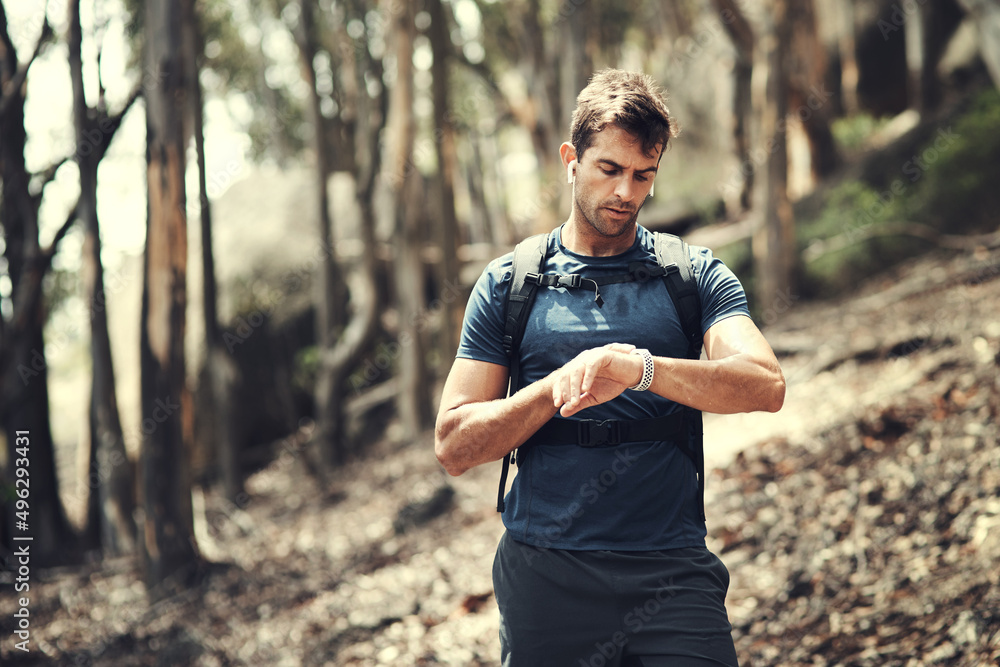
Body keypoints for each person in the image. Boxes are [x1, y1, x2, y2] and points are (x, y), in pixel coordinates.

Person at [434, 69, 785, 667]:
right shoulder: (507, 284)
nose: (626, 191)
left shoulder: (690, 274)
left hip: (671, 571)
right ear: (571, 159)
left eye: (643, 175)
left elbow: (765, 384)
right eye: (609, 169)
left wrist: (639, 368)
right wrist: (554, 388)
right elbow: (454, 445)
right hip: (547, 575)